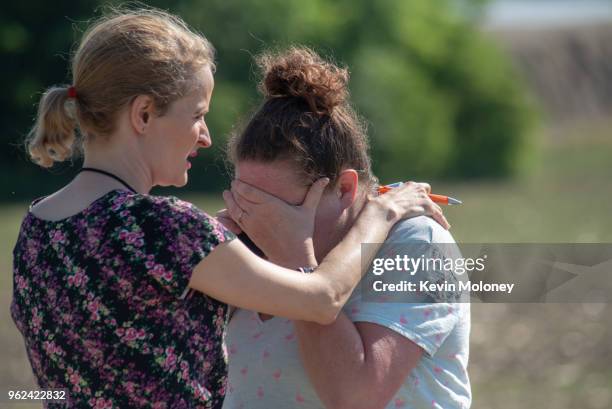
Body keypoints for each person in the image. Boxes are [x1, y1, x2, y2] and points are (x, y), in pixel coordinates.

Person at [10, 9, 448, 408]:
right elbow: (323, 298)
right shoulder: (169, 229)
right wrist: (383, 213)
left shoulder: (36, 227)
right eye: (197, 114)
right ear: (143, 115)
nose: (204, 136)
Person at [219, 48, 470, 409]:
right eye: (246, 201)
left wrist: (294, 260)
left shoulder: (418, 244)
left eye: (278, 208)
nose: (254, 222)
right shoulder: (241, 239)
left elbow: (355, 397)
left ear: (345, 189)